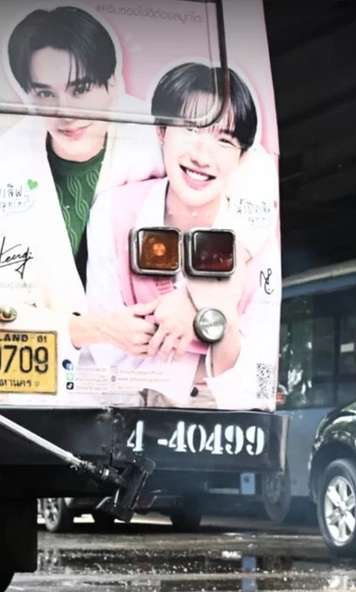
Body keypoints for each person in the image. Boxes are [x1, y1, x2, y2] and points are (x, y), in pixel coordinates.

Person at [0, 6, 163, 401]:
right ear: (27, 94)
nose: (65, 112)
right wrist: (96, 329)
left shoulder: (154, 132)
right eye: (45, 93)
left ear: (113, 83)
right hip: (42, 392)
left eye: (80, 88)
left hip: (151, 376)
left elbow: (244, 159)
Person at [83, 63, 280, 410]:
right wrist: (201, 351)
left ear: (242, 157)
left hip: (216, 425)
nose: (202, 156)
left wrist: (204, 310)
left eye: (223, 140)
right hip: (122, 416)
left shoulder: (255, 237)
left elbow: (251, 367)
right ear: (161, 131)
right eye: (190, 129)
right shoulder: (116, 213)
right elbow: (107, 350)